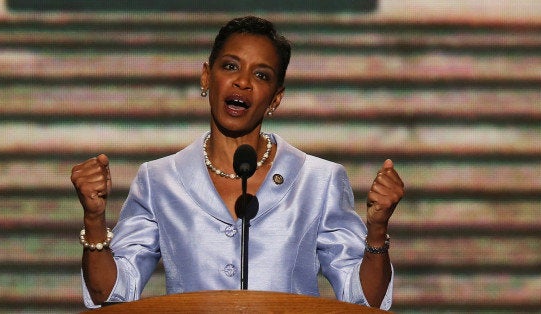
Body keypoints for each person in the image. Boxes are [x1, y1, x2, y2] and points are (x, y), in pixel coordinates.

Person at [70, 16, 404, 310]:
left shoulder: (319, 180)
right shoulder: (159, 180)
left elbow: (365, 300)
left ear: (276, 97)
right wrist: (95, 218)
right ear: (206, 77)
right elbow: (111, 294)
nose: (242, 81)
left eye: (261, 74)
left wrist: (376, 231)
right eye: (230, 66)